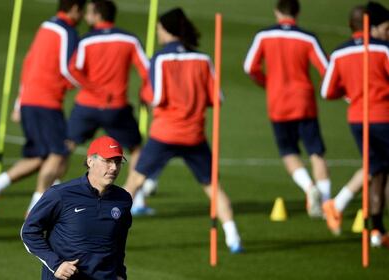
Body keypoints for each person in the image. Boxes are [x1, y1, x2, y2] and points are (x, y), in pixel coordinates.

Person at [124, 7, 243, 253]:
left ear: (167, 30)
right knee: (213, 188)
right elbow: (217, 99)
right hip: (194, 135)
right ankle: (233, 236)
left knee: (134, 181)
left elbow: (155, 97)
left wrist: (144, 95)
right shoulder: (203, 59)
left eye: (159, 29)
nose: (157, 33)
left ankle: (106, 230)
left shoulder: (160, 58)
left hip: (165, 133)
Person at [0, 0, 86, 218]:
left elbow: (28, 63)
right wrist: (90, 85)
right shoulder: (67, 31)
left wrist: (20, 102)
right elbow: (68, 69)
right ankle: (37, 209)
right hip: (46, 101)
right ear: (75, 8)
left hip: (30, 99)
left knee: (40, 155)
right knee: (59, 155)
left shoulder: (45, 26)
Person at [243, 0, 330, 217]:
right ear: (298, 13)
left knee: (289, 152)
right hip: (304, 102)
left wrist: (266, 82)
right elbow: (327, 69)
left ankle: (309, 189)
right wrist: (321, 89)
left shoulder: (264, 36)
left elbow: (249, 67)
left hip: (278, 103)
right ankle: (328, 204)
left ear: (276, 12)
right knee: (316, 152)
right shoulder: (307, 38)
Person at [321, 5, 389, 246]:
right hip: (383, 117)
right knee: (377, 170)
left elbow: (327, 91)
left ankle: (377, 231)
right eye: (386, 28)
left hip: (357, 120)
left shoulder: (340, 52)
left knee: (377, 171)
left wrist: (353, 93)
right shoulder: (384, 50)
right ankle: (348, 210)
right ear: (372, 26)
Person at [21, 135, 132, 280]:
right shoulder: (60, 194)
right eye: (108, 161)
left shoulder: (123, 199)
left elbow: (118, 242)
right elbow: (29, 231)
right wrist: (56, 264)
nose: (113, 168)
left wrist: (120, 274)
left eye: (118, 162)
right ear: (90, 161)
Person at [67, 0, 149, 184]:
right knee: (136, 149)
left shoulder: (85, 40)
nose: (86, 16)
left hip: (86, 105)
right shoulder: (130, 39)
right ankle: (135, 197)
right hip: (116, 108)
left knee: (67, 146)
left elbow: (72, 70)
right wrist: (144, 93)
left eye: (89, 12)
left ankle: (46, 190)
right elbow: (148, 71)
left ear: (98, 15)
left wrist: (94, 89)